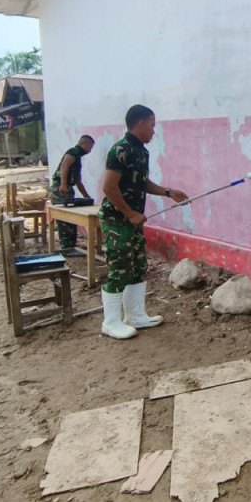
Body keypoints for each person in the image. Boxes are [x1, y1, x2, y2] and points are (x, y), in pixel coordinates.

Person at [98, 105, 189, 340]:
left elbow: (142, 182)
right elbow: (108, 187)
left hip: (133, 220)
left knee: (138, 266)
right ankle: (111, 322)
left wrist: (169, 192)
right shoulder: (121, 150)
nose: (153, 131)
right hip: (117, 220)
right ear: (140, 123)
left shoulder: (141, 151)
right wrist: (129, 214)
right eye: (152, 125)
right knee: (119, 268)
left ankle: (135, 315)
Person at [48, 135, 95, 251]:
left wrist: (86, 196)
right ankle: (67, 246)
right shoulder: (73, 152)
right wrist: (63, 184)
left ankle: (71, 243)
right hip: (60, 188)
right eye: (91, 147)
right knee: (65, 218)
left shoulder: (78, 157)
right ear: (85, 144)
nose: (90, 150)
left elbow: (78, 181)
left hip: (68, 188)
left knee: (72, 217)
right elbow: (64, 165)